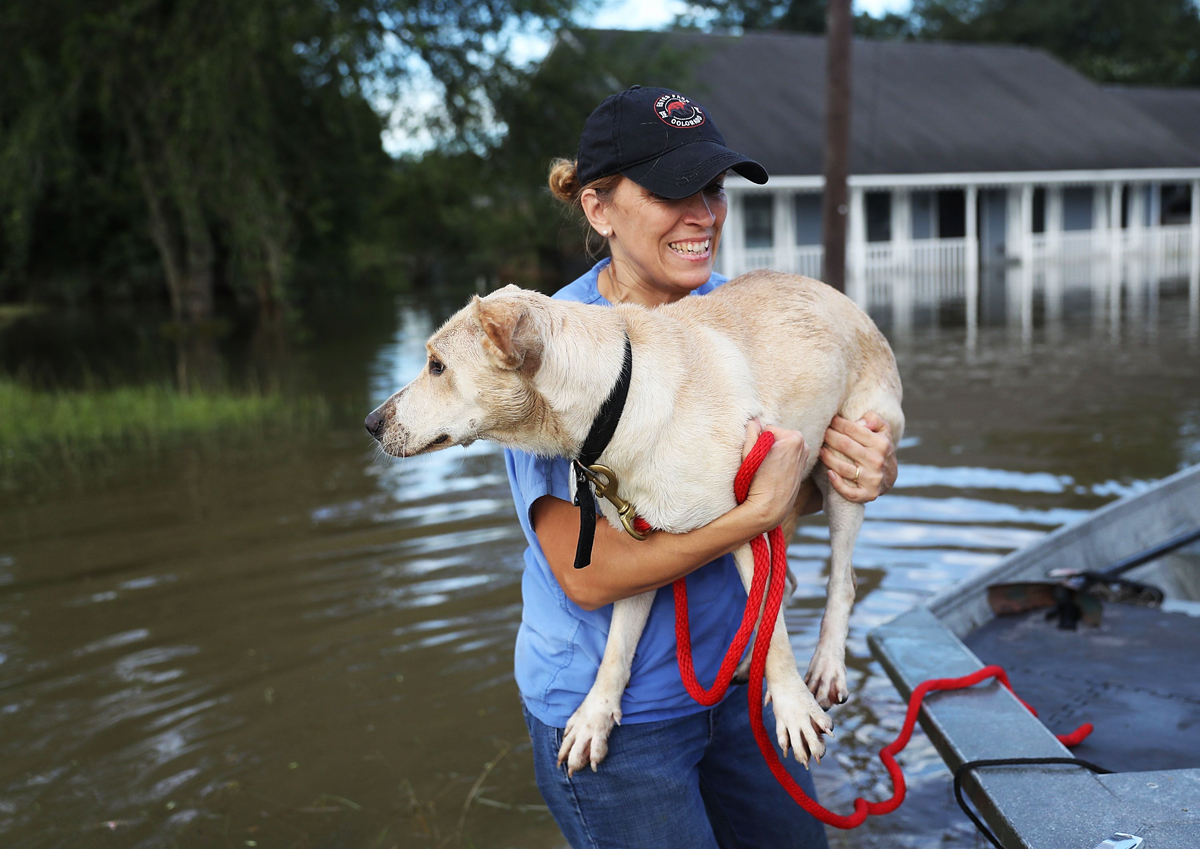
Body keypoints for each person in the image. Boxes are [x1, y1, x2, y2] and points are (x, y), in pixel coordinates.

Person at [504, 86, 898, 849]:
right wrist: (752, 517)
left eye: (711, 189)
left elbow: (786, 482)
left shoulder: (746, 318)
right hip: (621, 713)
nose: (704, 214)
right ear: (599, 209)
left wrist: (866, 468)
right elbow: (588, 571)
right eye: (670, 191)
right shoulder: (548, 352)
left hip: (745, 684)